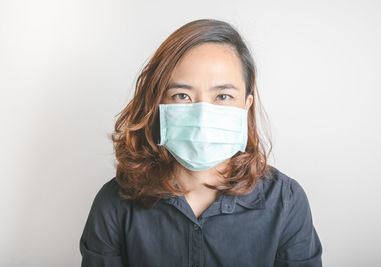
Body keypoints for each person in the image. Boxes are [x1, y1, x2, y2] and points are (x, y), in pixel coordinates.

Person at [79, 19, 323, 267]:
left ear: (246, 105)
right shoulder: (115, 202)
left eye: (223, 96)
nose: (202, 114)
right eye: (182, 96)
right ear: (158, 105)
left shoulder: (286, 201)